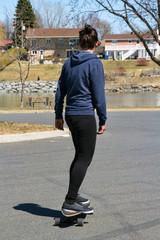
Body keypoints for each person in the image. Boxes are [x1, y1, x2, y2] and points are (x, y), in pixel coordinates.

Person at [54, 24, 107, 215]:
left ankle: (73, 195)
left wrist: (58, 115)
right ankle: (69, 201)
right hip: (84, 115)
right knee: (85, 157)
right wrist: (103, 118)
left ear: (79, 43)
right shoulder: (95, 63)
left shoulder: (68, 63)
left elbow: (60, 91)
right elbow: (99, 94)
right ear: (97, 43)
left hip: (70, 115)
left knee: (79, 155)